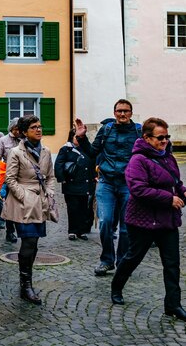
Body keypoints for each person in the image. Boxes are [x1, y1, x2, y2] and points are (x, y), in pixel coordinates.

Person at [110, 118, 186, 320]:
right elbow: (138, 189)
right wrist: (169, 199)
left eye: (167, 137)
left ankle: (173, 304)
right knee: (133, 257)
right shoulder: (138, 160)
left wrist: (183, 193)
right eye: (161, 137)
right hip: (143, 221)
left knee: (172, 264)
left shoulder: (167, 157)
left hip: (167, 220)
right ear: (147, 138)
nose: (165, 141)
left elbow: (175, 183)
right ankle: (116, 286)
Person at [75, 99, 141, 276]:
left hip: (128, 184)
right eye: (119, 111)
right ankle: (106, 260)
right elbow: (91, 153)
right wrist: (81, 137)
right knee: (105, 222)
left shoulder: (139, 131)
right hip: (106, 183)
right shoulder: (106, 130)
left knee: (127, 226)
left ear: (131, 113)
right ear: (114, 113)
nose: (122, 114)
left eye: (126, 111)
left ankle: (122, 261)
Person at [1, 115, 55, 305]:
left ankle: (26, 281)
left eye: (40, 126)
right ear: (24, 132)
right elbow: (10, 179)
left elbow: (50, 176)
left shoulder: (46, 151)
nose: (39, 130)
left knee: (34, 243)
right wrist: (24, 196)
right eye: (34, 127)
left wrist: (49, 192)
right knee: (28, 241)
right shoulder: (16, 152)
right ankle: (26, 285)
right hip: (23, 203)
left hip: (40, 202)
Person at [54, 128, 96, 241]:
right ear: (71, 137)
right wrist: (62, 179)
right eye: (75, 137)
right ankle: (72, 231)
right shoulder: (66, 149)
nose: (77, 139)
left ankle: (81, 231)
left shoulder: (86, 149)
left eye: (79, 137)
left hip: (85, 183)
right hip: (71, 184)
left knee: (84, 209)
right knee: (73, 209)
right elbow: (59, 164)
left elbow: (92, 163)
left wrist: (94, 176)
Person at [0, 118, 21, 243]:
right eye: (16, 129)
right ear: (11, 128)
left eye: (20, 129)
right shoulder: (3, 140)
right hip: (8, 176)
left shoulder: (24, 140)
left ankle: (21, 228)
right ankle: (10, 231)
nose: (18, 132)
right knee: (10, 204)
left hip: (22, 176)